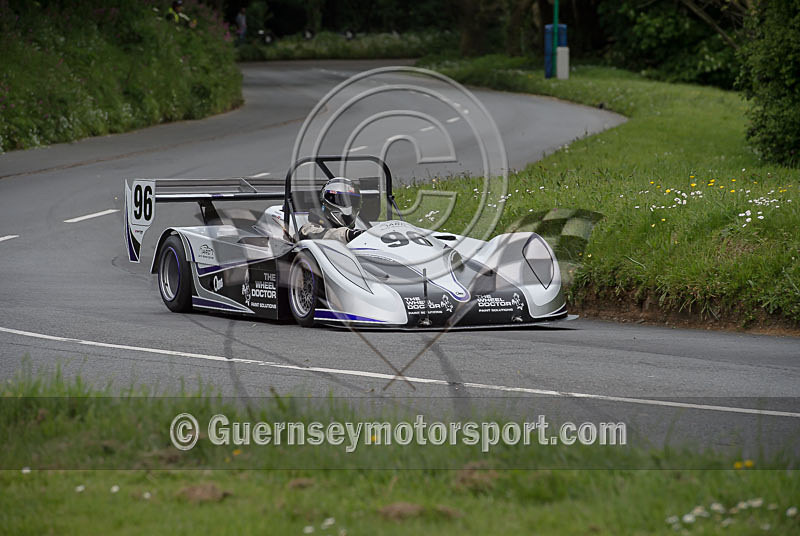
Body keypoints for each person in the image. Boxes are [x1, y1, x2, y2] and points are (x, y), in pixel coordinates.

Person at [299, 177, 365, 242]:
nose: (349, 207)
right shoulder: (308, 229)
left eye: (353, 201)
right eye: (342, 201)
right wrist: (348, 235)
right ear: (328, 200)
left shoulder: (360, 228)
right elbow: (315, 234)